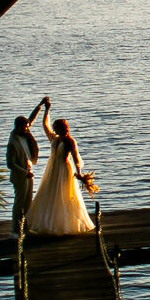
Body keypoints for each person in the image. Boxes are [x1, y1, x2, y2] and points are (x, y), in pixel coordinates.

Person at [23, 98, 99, 236]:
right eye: (54, 127)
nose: (53, 129)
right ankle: (48, 222)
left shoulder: (70, 141)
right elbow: (45, 125)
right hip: (52, 169)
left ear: (62, 128)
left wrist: (79, 173)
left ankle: (64, 224)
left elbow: (76, 158)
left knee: (63, 196)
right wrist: (46, 110)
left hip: (63, 170)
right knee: (49, 193)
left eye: (56, 127)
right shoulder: (54, 138)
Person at [6, 98, 50, 234]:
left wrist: (40, 105)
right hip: (20, 176)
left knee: (28, 202)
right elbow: (10, 164)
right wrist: (24, 173)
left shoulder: (24, 132)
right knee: (19, 203)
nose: (27, 129)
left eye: (27, 127)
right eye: (25, 127)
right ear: (18, 127)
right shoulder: (13, 143)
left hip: (29, 172)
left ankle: (25, 228)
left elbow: (31, 119)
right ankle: (15, 230)